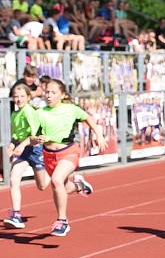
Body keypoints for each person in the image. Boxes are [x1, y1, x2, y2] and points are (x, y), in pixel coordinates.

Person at [31, 79, 108, 236]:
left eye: (53, 92)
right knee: (64, 188)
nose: (49, 95)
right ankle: (79, 185)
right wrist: (36, 139)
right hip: (49, 155)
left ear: (62, 95)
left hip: (68, 151)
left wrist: (99, 135)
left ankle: (62, 221)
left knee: (56, 181)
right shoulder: (40, 113)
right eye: (47, 92)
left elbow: (87, 118)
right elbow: (32, 136)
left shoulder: (71, 109)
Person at [4, 84, 51, 229]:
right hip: (23, 150)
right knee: (13, 178)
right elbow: (16, 135)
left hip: (34, 149)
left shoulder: (29, 111)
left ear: (29, 97)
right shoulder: (14, 114)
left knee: (42, 186)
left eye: (22, 96)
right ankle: (16, 215)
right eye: (16, 96)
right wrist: (12, 144)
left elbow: (35, 135)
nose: (18, 99)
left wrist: (22, 145)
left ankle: (57, 172)